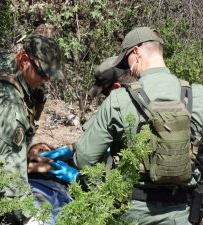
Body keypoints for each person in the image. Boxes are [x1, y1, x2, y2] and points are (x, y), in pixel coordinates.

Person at [41, 27, 203, 224]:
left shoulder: (119, 99)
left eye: (126, 58)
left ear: (136, 52)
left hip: (129, 213)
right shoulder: (198, 95)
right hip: (181, 212)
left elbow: (84, 159)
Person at [0, 34, 64, 224]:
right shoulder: (9, 105)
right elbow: (7, 166)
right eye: (43, 73)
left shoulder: (5, 62)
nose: (46, 80)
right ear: (24, 59)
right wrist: (28, 218)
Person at [27, 143, 72, 224]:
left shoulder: (64, 165)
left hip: (64, 195)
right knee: (40, 218)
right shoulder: (24, 164)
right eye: (38, 149)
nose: (42, 149)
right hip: (39, 188)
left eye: (47, 150)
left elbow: (76, 149)